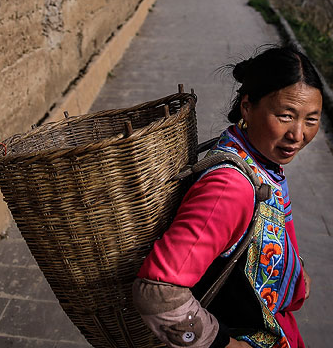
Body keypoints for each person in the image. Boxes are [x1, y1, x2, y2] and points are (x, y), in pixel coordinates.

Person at [133, 45, 323, 348]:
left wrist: (294, 270)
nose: (298, 134)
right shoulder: (229, 187)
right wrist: (223, 344)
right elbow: (157, 290)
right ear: (247, 107)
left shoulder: (259, 158)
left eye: (311, 120)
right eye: (286, 116)